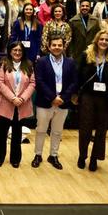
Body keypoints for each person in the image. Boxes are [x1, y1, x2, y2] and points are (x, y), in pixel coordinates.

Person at [31, 35, 78, 170]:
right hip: (45, 101)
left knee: (57, 131)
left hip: (63, 102)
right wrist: (52, 97)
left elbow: (74, 82)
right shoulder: (41, 62)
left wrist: (63, 97)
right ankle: (38, 155)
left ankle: (53, 155)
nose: (57, 47)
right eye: (54, 45)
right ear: (49, 47)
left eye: (59, 45)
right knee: (41, 130)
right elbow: (39, 82)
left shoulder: (70, 62)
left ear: (64, 46)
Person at [76, 30, 108, 171]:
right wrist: (76, 95)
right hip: (88, 96)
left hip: (104, 98)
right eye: (101, 39)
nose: (104, 42)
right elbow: (78, 76)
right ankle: (82, 156)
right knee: (85, 128)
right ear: (96, 40)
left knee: (101, 130)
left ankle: (95, 158)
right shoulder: (86, 55)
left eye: (107, 40)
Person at [0, 41, 36, 168]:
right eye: (15, 50)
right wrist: (12, 98)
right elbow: (0, 83)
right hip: (6, 103)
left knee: (17, 133)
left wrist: (22, 98)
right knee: (2, 132)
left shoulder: (28, 65)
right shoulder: (4, 64)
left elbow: (33, 83)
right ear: (10, 51)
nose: (17, 53)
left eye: (20, 51)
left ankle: (15, 159)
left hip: (21, 104)